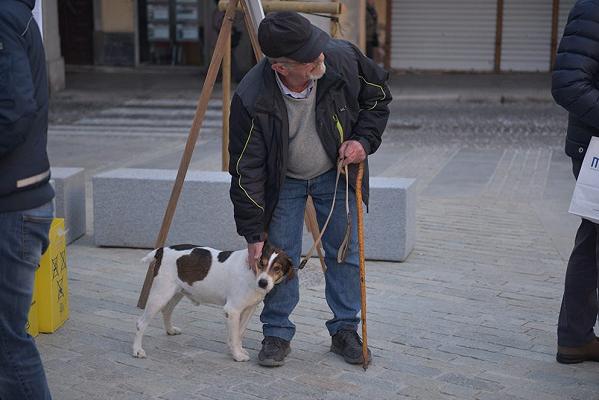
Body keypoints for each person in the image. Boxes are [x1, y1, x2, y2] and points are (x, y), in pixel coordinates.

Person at [228, 11, 391, 367]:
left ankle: (345, 329)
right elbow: (245, 169)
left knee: (343, 253)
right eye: (310, 55)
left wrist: (363, 140)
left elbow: (378, 98)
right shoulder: (251, 96)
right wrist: (253, 233)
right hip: (283, 180)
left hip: (335, 171)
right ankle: (276, 333)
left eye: (318, 48)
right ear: (282, 68)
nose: (321, 57)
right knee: (278, 256)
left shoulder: (341, 58)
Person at [0, 0, 55, 398]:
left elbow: (15, 111)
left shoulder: (2, 16)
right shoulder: (14, 14)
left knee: (7, 342)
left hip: (13, 207)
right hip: (20, 201)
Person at [552, 0, 599, 364]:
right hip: (596, 146)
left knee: (592, 238)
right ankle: (574, 337)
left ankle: (574, 338)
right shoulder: (592, 7)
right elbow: (568, 84)